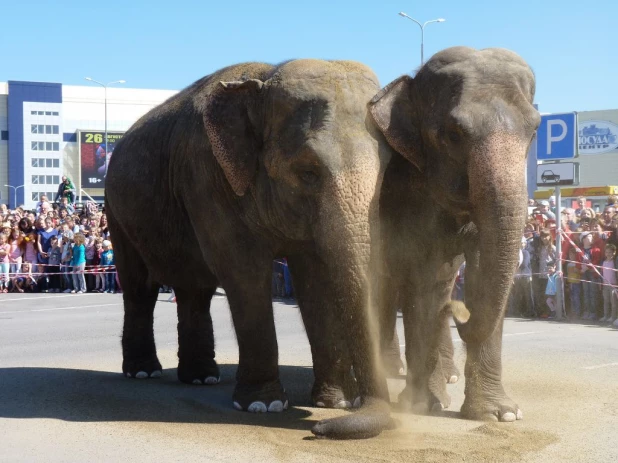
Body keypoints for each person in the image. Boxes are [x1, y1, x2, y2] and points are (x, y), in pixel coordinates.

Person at [578, 231, 602, 320]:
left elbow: (596, 260)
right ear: (583, 239)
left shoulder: (596, 249)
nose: (591, 238)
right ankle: (586, 311)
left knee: (593, 292)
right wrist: (580, 268)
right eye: (589, 236)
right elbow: (577, 261)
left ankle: (593, 312)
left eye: (591, 236)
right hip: (583, 273)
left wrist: (587, 267)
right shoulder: (579, 250)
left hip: (592, 273)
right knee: (585, 292)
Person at [599, 244, 618, 324]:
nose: (608, 254)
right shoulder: (603, 262)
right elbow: (601, 273)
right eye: (606, 252)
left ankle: (613, 316)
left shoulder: (615, 262)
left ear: (614, 252)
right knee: (606, 301)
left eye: (610, 252)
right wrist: (601, 283)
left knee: (613, 302)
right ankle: (606, 315)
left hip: (613, 285)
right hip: (605, 284)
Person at [566, 248, 582, 319]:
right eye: (570, 254)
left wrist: (577, 271)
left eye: (573, 254)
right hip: (571, 282)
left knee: (576, 297)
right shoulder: (568, 264)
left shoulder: (577, 264)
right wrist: (568, 283)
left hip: (576, 282)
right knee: (571, 297)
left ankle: (577, 312)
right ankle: (573, 311)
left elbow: (580, 273)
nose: (571, 256)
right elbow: (568, 273)